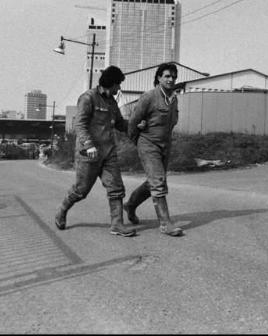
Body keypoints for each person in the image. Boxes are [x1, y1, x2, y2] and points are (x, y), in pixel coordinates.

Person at [54, 65, 136, 237]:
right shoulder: (88, 98)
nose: (119, 88)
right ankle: (62, 210)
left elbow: (120, 124)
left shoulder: (112, 102)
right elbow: (80, 125)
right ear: (111, 83)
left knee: (116, 188)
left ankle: (117, 224)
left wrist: (137, 127)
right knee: (81, 190)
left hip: (108, 152)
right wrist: (89, 145)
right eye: (118, 84)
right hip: (88, 152)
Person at [124, 62, 184, 237]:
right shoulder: (149, 97)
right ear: (159, 78)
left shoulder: (173, 99)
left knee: (153, 182)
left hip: (165, 145)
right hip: (148, 144)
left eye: (173, 77)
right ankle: (165, 223)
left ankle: (131, 205)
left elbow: (172, 122)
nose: (171, 79)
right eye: (167, 76)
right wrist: (136, 140)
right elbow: (133, 121)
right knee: (158, 182)